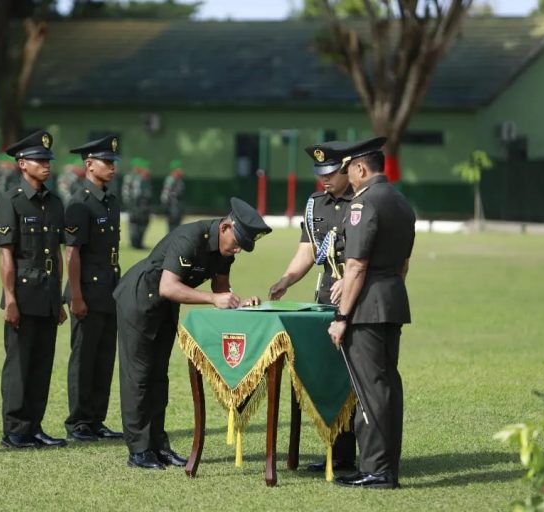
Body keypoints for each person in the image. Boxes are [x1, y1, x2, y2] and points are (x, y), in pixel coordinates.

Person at [113, 197, 272, 470]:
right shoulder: (190, 238)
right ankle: (139, 451)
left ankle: (159, 447)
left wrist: (240, 301)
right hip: (139, 300)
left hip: (165, 308)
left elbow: (222, 289)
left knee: (158, 378)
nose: (237, 250)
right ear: (225, 228)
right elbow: (168, 286)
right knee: (139, 377)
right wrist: (212, 299)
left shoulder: (225, 252)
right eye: (237, 242)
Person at [326, 137, 415, 490]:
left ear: (361, 169)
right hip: (392, 298)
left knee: (369, 390)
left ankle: (376, 471)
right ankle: (384, 466)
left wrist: (342, 317)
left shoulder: (364, 204)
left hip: (366, 307)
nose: (347, 176)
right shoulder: (400, 201)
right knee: (387, 386)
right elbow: (404, 263)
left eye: (348, 170)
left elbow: (357, 265)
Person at [267, 140, 358, 473]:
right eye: (321, 173)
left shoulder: (360, 201)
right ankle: (338, 452)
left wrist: (349, 280)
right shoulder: (315, 203)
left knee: (354, 376)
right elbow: (308, 250)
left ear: (348, 169)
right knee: (330, 376)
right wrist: (286, 279)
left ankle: (363, 455)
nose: (325, 179)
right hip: (324, 300)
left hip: (356, 296)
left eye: (331, 172)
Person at [0, 130, 68, 449]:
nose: (46, 165)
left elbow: (58, 253)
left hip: (48, 294)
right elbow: (6, 254)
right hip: (23, 295)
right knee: (19, 365)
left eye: (48, 159)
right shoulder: (10, 200)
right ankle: (14, 430)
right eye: (39, 160)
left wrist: (61, 298)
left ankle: (34, 426)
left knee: (41, 364)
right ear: (22, 164)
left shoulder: (54, 203)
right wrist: (10, 298)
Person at [63, 134, 124, 442]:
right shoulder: (80, 204)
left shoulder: (109, 202)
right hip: (86, 289)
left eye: (114, 162)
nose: (112, 167)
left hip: (109, 288)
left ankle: (96, 419)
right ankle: (79, 421)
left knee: (103, 357)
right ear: (89, 165)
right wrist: (75, 295)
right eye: (107, 162)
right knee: (84, 358)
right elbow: (72, 253)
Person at [160, 159, 186, 232]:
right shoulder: (170, 180)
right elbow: (165, 196)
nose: (181, 171)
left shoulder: (180, 181)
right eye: (179, 169)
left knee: (177, 228)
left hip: (178, 208)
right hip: (172, 208)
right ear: (175, 170)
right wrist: (167, 209)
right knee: (171, 229)